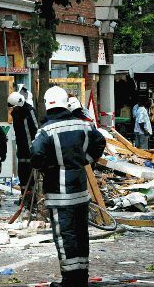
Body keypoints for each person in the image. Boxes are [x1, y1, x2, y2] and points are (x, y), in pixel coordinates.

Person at [30, 86, 106, 287]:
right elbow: (100, 141)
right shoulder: (82, 125)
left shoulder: (46, 131)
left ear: (47, 104)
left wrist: (48, 167)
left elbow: (36, 155)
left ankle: (69, 280)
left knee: (65, 236)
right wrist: (85, 160)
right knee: (81, 234)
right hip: (80, 193)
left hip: (59, 194)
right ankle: (81, 277)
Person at [7, 91, 39, 196]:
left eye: (13, 107)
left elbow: (36, 129)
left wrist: (35, 147)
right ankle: (24, 195)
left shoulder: (30, 111)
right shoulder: (16, 114)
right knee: (22, 172)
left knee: (31, 173)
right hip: (21, 149)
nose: (11, 109)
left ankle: (33, 197)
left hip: (31, 148)